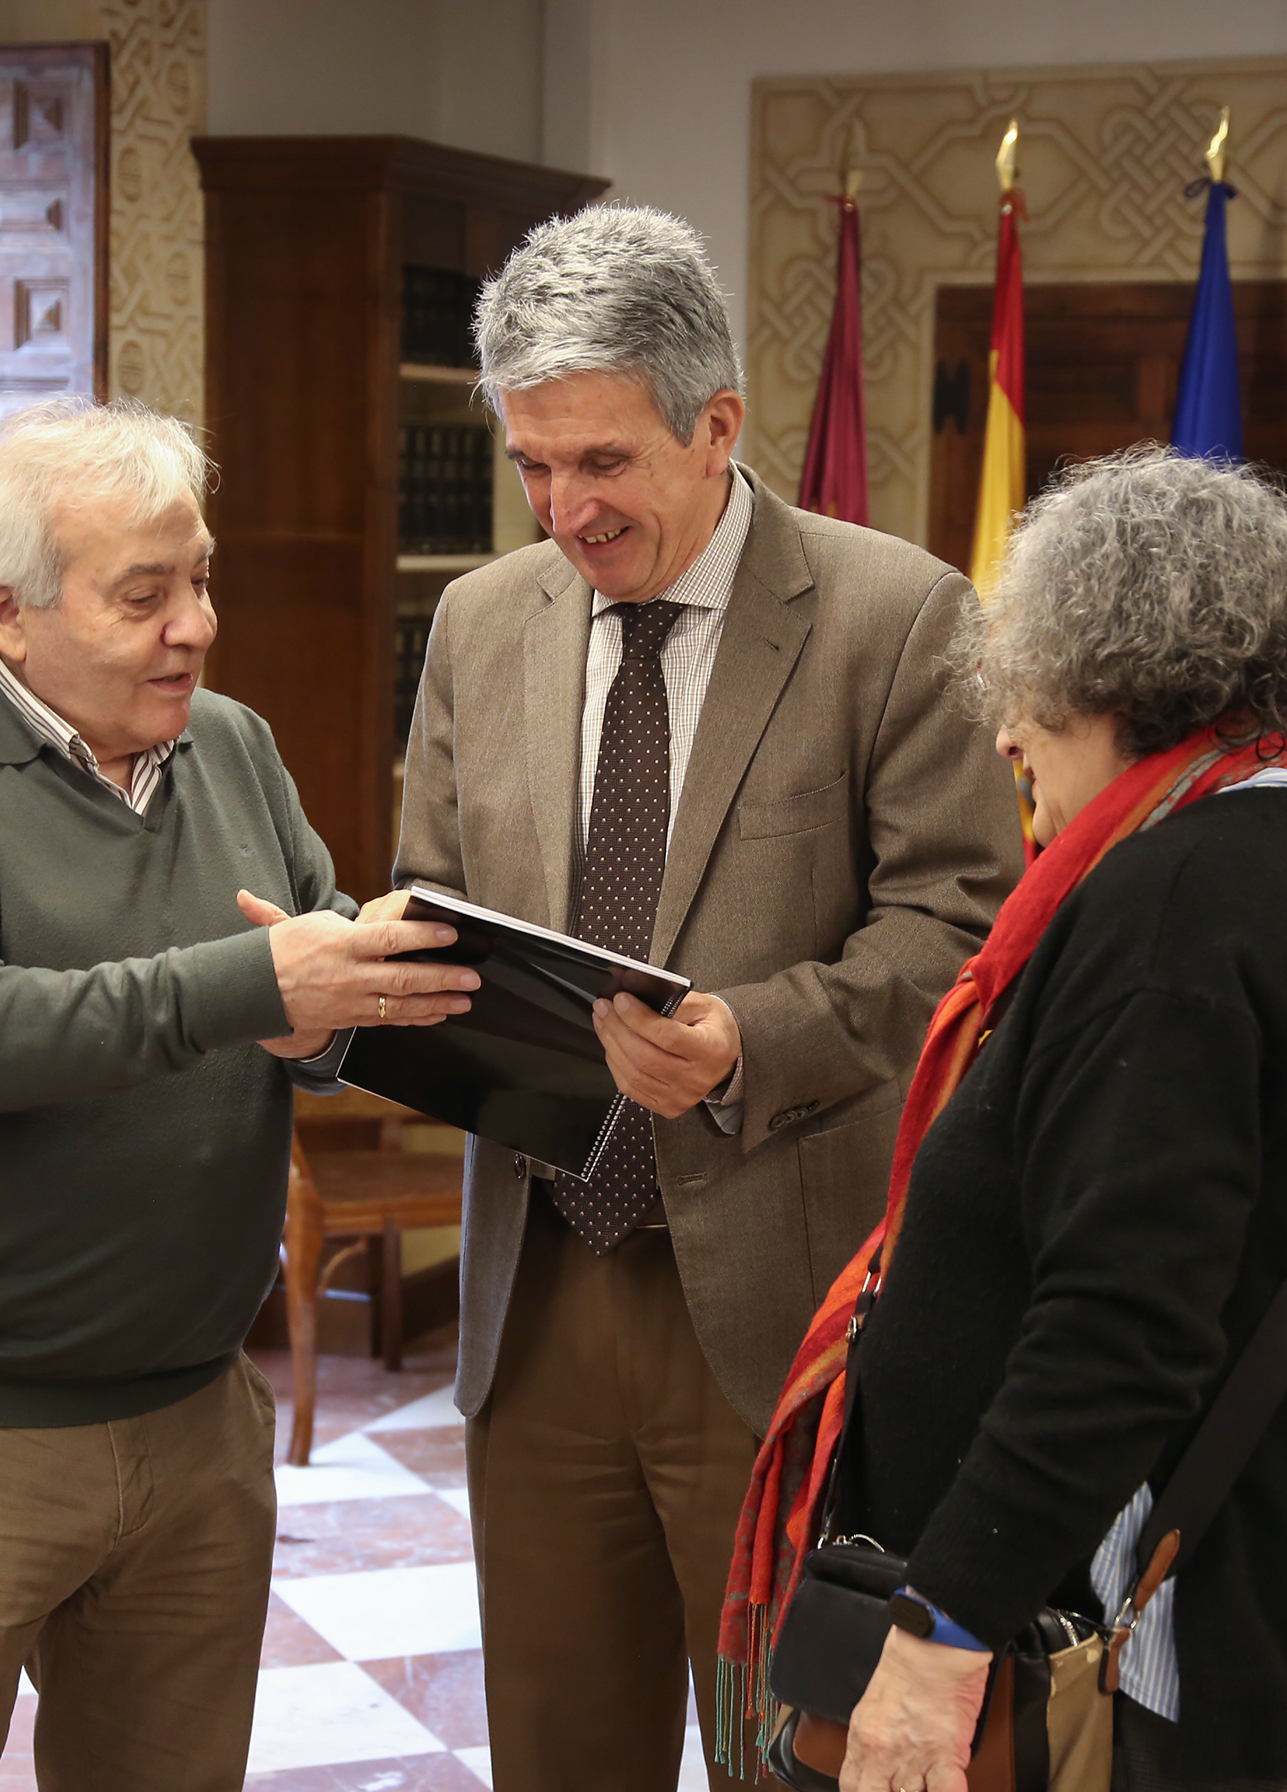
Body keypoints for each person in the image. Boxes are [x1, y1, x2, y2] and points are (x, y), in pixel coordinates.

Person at [391, 203, 1022, 1790]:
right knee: (559, 1753)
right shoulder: (482, 621)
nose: (561, 510)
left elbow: (966, 924)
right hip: (533, 1292)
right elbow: (441, 900)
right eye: (532, 466)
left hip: (775, 1302)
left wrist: (754, 1037)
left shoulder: (895, 615)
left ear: (717, 424)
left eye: (600, 463)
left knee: (780, 1759)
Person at [0, 397, 479, 1792]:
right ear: (8, 613)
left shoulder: (231, 745)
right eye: (145, 594)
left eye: (200, 579)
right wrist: (257, 986)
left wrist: (343, 1005)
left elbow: (304, 971)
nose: (197, 626)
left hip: (193, 1421)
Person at [734, 446, 1287, 1792]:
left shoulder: (1172, 905)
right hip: (1234, 1634)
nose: (1004, 735)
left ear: (1113, 668)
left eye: (1027, 690)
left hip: (1124, 1666)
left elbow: (1121, 1329)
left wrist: (941, 1635)